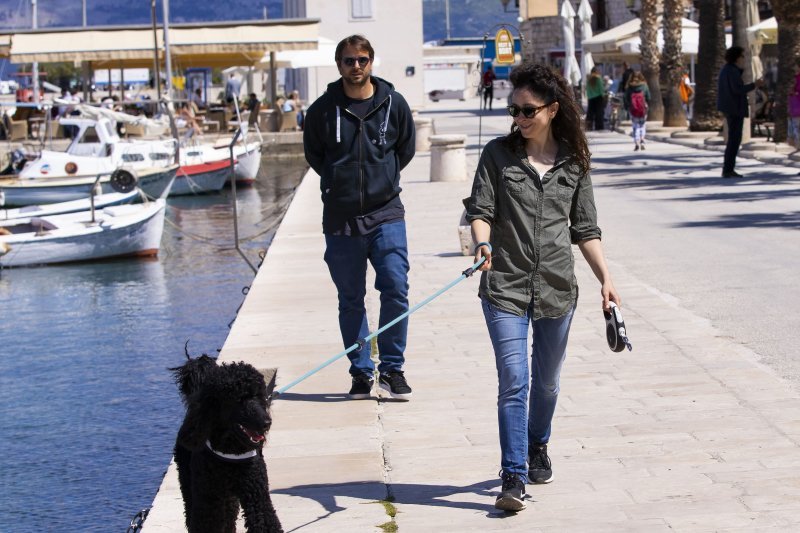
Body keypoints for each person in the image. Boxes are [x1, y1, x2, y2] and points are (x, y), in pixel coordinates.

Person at [465, 62, 621, 512]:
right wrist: (482, 244)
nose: (519, 118)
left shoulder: (574, 162)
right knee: (515, 379)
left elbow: (586, 229)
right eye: (513, 110)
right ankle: (512, 476)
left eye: (528, 110)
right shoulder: (497, 155)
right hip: (505, 286)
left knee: (547, 384)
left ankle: (537, 444)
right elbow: (480, 209)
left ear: (552, 110)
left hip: (556, 287)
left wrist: (606, 280)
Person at [303, 34, 416, 401]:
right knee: (350, 299)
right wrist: (340, 184)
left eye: (362, 60)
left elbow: (406, 149)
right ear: (339, 65)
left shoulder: (393, 104)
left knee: (396, 289)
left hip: (386, 213)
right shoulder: (322, 110)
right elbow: (315, 156)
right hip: (341, 219)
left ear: (372, 62)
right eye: (349, 61)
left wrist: (383, 178)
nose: (356, 67)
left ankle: (392, 370)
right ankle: (360, 372)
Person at [717, 46, 763, 178]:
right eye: (742, 56)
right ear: (737, 58)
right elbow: (737, 89)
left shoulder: (728, 70)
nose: (744, 59)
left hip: (731, 108)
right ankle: (728, 169)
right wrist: (755, 85)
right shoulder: (731, 71)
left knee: (733, 139)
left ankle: (728, 168)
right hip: (734, 109)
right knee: (734, 140)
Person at [625, 71, 650, 151]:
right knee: (642, 125)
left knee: (635, 126)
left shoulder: (630, 86)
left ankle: (636, 142)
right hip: (643, 108)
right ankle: (642, 140)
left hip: (633, 109)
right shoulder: (644, 85)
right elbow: (649, 97)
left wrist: (628, 106)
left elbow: (626, 98)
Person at [585, 66, 606, 131]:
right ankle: (599, 126)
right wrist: (603, 96)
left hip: (591, 98)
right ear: (597, 72)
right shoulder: (598, 78)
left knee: (590, 112)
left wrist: (589, 97)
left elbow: (587, 89)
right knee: (599, 112)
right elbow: (601, 89)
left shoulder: (588, 79)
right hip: (599, 97)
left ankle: (589, 126)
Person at [788, 57, 800, 148]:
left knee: (797, 126)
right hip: (795, 107)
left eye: (796, 66)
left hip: (797, 107)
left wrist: (794, 93)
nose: (794, 68)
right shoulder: (796, 78)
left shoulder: (798, 78)